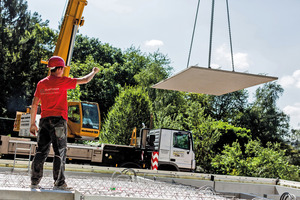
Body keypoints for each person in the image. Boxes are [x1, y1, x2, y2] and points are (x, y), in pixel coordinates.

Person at [29, 56, 100, 189]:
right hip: (59, 121)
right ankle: (59, 183)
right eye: (63, 69)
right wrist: (93, 72)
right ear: (60, 68)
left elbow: (34, 104)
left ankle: (34, 181)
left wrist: (33, 123)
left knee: (41, 152)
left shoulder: (41, 83)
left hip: (44, 121)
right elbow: (85, 80)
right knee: (59, 151)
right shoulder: (62, 81)